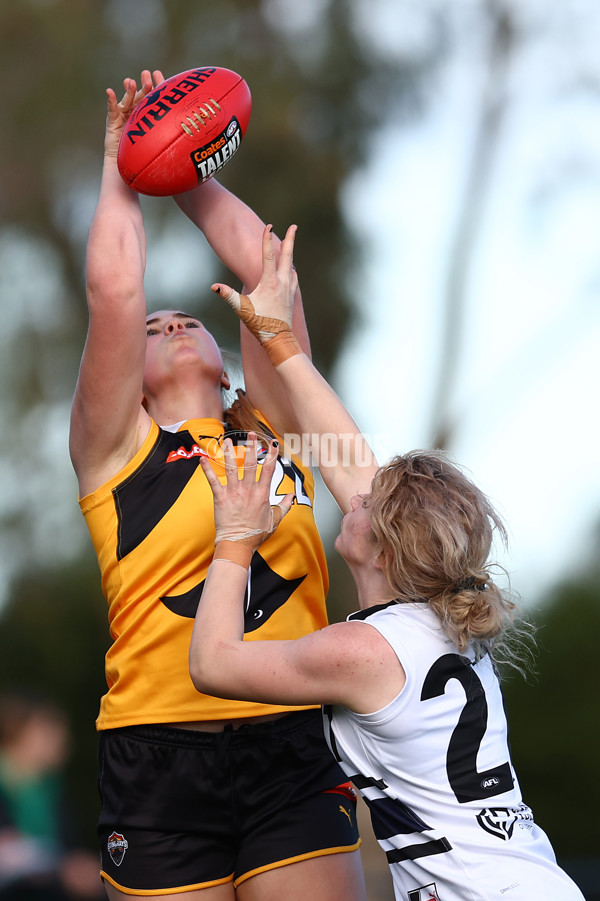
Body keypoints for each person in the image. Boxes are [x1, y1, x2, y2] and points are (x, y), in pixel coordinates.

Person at [188, 223, 586, 901]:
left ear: (389, 546)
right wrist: (278, 336)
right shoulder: (437, 608)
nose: (358, 494)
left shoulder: (364, 650)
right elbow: (341, 452)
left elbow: (213, 663)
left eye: (374, 503)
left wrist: (234, 539)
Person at [69, 71, 367, 900]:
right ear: (129, 381)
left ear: (228, 352)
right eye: (155, 330)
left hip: (288, 743)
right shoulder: (117, 453)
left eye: (187, 318)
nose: (170, 324)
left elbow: (263, 268)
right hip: (158, 752)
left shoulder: (280, 427)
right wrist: (121, 160)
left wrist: (184, 157)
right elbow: (115, 291)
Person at [0, 690, 104, 901]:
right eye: (50, 730)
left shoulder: (52, 788)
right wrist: (63, 869)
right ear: (19, 731)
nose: (63, 740)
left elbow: (70, 849)